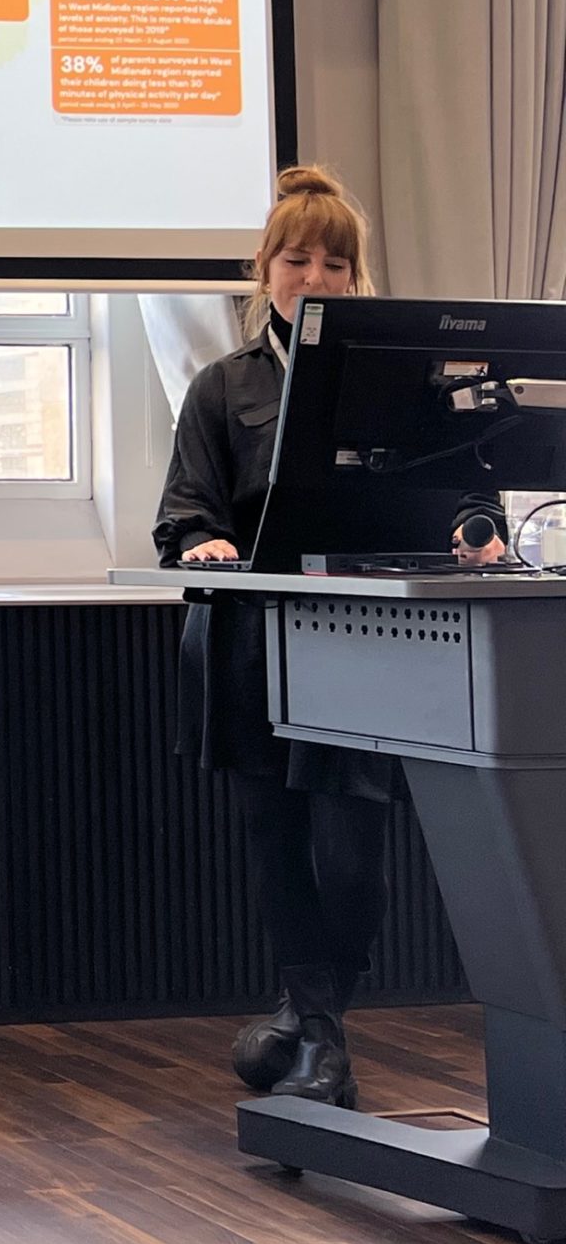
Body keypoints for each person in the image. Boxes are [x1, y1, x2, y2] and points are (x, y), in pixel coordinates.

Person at [153, 163, 503, 1109]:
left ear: (357, 278)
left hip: (370, 647)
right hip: (249, 645)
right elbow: (180, 513)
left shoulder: (405, 384)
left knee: (353, 856)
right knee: (277, 845)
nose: (314, 278)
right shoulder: (221, 387)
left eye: (334, 264)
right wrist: (208, 539)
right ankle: (321, 1043)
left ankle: (306, 1026)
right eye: (296, 260)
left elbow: (465, 487)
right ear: (264, 270)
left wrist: (478, 528)